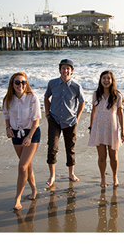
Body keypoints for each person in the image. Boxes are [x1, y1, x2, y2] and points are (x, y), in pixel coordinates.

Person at [1, 72, 41, 210]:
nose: (21, 85)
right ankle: (34, 189)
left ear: (26, 83)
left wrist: (29, 136)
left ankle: (17, 198)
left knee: (22, 166)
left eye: (23, 82)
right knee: (27, 165)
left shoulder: (32, 97)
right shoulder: (8, 99)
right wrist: (7, 128)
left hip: (32, 133)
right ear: (12, 84)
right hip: (16, 134)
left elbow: (36, 121)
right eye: (17, 82)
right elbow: (6, 115)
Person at [44, 58, 85, 187]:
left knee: (70, 148)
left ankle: (71, 173)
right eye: (63, 68)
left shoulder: (76, 86)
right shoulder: (52, 83)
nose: (65, 71)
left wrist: (77, 118)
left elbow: (82, 102)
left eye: (68, 68)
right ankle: (52, 176)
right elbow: (46, 97)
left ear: (71, 71)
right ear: (60, 70)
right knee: (52, 147)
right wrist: (47, 114)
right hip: (54, 120)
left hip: (70, 121)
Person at [87, 70, 124, 188]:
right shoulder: (95, 95)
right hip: (98, 128)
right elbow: (93, 111)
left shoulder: (117, 95)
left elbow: (120, 113)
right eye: (104, 78)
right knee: (102, 156)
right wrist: (91, 127)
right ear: (100, 80)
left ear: (112, 80)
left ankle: (114, 176)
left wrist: (122, 130)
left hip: (112, 128)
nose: (106, 80)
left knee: (113, 156)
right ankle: (103, 177)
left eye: (108, 78)